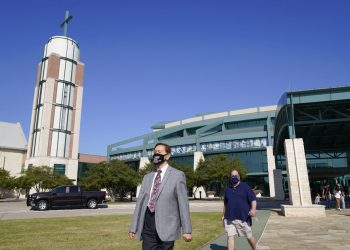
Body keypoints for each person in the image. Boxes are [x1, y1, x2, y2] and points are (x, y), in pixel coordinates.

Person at [129, 143, 192, 249]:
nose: (156, 155)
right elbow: (140, 203)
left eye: (159, 152)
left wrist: (187, 230)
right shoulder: (147, 177)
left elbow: (183, 204)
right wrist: (133, 227)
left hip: (167, 227)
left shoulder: (178, 175)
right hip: (148, 226)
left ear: (167, 156)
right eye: (155, 152)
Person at [222, 169, 257, 250]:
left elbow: (253, 200)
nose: (234, 177)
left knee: (249, 236)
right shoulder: (228, 190)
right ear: (230, 177)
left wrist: (253, 210)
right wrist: (223, 215)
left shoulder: (245, 187)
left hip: (243, 218)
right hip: (229, 218)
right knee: (230, 237)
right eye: (232, 176)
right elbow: (225, 204)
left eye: (236, 175)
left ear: (239, 177)